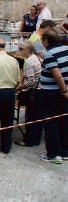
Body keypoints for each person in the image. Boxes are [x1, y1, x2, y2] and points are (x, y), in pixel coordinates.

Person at [36, 30, 68, 163]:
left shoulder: (49, 54)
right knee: (64, 121)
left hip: (52, 93)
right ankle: (65, 151)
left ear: (47, 41)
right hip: (62, 92)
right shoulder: (66, 49)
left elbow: (57, 74)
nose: (42, 44)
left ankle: (53, 154)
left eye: (43, 41)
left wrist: (63, 89)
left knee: (50, 123)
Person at [15, 41, 42, 147]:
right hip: (40, 91)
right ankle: (35, 139)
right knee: (37, 117)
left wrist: (19, 87)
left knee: (31, 117)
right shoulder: (37, 58)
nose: (20, 51)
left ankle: (29, 141)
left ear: (27, 50)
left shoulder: (30, 61)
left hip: (34, 92)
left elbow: (31, 81)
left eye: (21, 49)